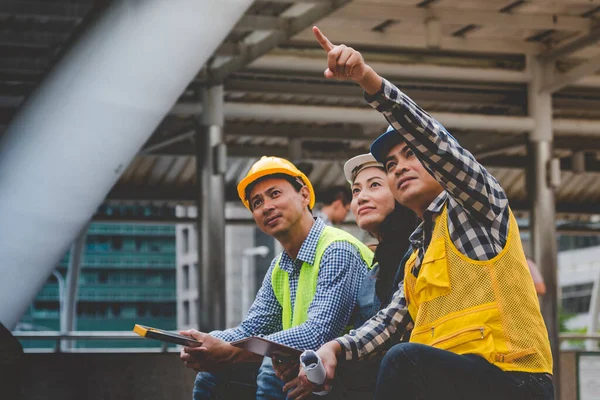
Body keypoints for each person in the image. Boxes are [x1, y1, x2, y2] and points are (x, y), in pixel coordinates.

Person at [286, 27, 554, 400]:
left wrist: (369, 81)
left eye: (411, 154)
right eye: (391, 164)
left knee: (403, 360)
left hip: (514, 379)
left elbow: (437, 143)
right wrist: (334, 349)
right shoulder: (416, 255)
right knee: (348, 377)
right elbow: (390, 321)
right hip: (448, 380)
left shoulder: (478, 205)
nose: (399, 167)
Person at [179, 156, 374, 400]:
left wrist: (229, 350)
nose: (266, 206)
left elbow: (318, 334)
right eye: (257, 202)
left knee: (268, 370)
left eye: (274, 194)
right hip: (305, 366)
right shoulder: (279, 267)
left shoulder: (337, 249)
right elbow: (251, 329)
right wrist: (207, 341)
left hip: (349, 372)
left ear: (304, 195)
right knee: (211, 374)